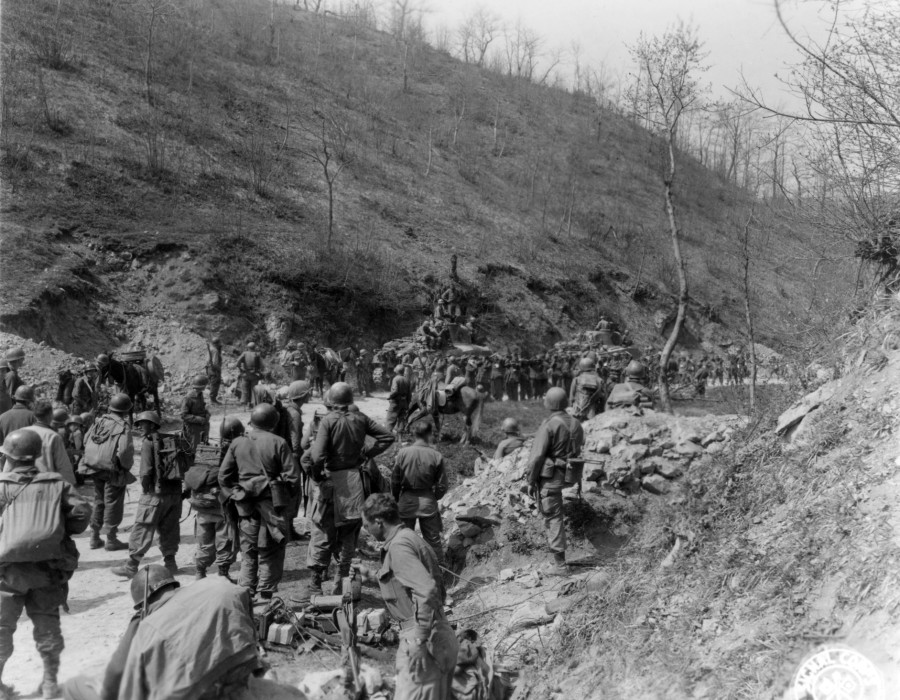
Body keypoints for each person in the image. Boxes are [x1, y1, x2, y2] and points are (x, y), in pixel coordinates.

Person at [61, 566, 305, 700]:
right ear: (173, 583)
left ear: (143, 604)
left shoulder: (148, 625)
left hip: (199, 693)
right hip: (239, 678)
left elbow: (118, 674)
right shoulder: (218, 586)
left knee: (75, 687)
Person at [0, 429, 91, 700]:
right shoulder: (57, 483)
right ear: (38, 454)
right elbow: (82, 513)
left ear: (9, 457)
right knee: (47, 622)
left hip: (7, 571)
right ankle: (50, 683)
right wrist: (58, 532)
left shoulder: (2, 485)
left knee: (2, 627)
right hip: (47, 568)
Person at [358, 494, 458, 700]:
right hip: (435, 630)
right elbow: (406, 585)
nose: (366, 530)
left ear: (379, 522)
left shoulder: (399, 546)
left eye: (366, 525)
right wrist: (371, 578)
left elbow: (426, 589)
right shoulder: (407, 537)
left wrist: (419, 641)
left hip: (422, 637)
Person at [305, 383, 394, 598]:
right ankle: (342, 584)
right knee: (349, 536)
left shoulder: (328, 420)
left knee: (323, 533)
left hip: (331, 486)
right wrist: (365, 454)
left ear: (332, 402)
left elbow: (315, 457)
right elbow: (387, 437)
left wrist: (317, 475)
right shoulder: (361, 418)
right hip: (355, 484)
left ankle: (316, 586)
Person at [219, 403, 299, 601]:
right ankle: (265, 598)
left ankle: (245, 597)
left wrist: (237, 494)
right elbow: (293, 479)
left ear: (252, 421)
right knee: (270, 553)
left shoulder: (237, 442)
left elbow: (223, 477)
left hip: (246, 508)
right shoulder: (279, 442)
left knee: (248, 553)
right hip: (272, 508)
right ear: (273, 422)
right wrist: (279, 494)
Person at [111, 412, 183, 579]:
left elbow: (146, 472)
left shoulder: (149, 443)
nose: (140, 427)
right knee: (170, 528)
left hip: (154, 494)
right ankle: (171, 564)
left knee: (142, 528)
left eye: (143, 424)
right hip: (174, 493)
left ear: (152, 425)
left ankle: (131, 566)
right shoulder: (172, 440)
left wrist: (146, 490)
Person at [525, 387, 584, 577]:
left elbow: (537, 457)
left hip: (550, 478)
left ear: (550, 402)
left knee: (553, 517)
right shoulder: (576, 423)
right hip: (569, 476)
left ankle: (560, 566)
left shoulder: (549, 425)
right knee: (555, 514)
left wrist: (530, 480)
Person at [185, 416, 241, 581]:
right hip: (221, 507)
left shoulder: (205, 449)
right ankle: (223, 574)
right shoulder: (232, 452)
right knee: (225, 541)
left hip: (202, 506)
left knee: (204, 542)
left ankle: (200, 572)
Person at [83, 394, 135, 552]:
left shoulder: (99, 421)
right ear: (126, 411)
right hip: (112, 470)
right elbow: (125, 450)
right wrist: (125, 467)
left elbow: (86, 440)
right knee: (113, 502)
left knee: (99, 500)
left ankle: (94, 536)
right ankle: (111, 539)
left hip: (95, 467)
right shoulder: (123, 426)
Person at [390, 421, 447, 562]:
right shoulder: (436, 455)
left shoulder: (403, 453)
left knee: (403, 539)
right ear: (430, 434)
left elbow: (395, 480)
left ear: (413, 434)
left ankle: (403, 573)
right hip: (427, 501)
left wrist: (396, 498)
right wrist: (433, 497)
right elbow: (442, 485)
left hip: (406, 500)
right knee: (433, 541)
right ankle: (440, 574)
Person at [27, 400, 76, 485]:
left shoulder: (21, 433)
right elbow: (63, 466)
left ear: (34, 415)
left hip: (24, 485)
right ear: (50, 415)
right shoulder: (53, 436)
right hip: (46, 484)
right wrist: (70, 485)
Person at [0, 386, 36, 466]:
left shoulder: (2, 417)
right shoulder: (33, 417)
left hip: (7, 463)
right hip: (28, 464)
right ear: (29, 402)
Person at [180, 375, 210, 461]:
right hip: (192, 427)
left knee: (204, 443)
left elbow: (200, 408)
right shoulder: (188, 398)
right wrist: (199, 419)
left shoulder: (200, 394)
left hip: (202, 424)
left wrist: (207, 413)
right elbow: (184, 415)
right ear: (202, 386)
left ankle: (201, 457)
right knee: (195, 448)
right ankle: (193, 461)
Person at [236, 342, 263, 410]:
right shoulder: (257, 354)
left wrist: (241, 369)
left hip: (245, 374)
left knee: (245, 390)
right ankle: (253, 404)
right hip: (254, 374)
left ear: (248, 347)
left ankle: (245, 405)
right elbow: (262, 366)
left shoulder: (245, 353)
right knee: (253, 390)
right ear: (254, 347)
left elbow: (237, 362)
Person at [386, 365, 411, 435]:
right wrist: (407, 404)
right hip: (404, 402)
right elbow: (409, 394)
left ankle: (388, 436)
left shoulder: (396, 379)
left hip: (396, 402)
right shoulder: (407, 380)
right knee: (401, 420)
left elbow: (395, 390)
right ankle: (400, 438)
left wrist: (390, 397)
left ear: (397, 371)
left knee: (390, 420)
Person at [206, 336, 223, 405]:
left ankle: (212, 399)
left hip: (208, 368)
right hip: (214, 369)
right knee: (215, 384)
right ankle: (213, 400)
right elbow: (215, 363)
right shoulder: (215, 350)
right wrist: (218, 370)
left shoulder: (210, 348)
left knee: (212, 383)